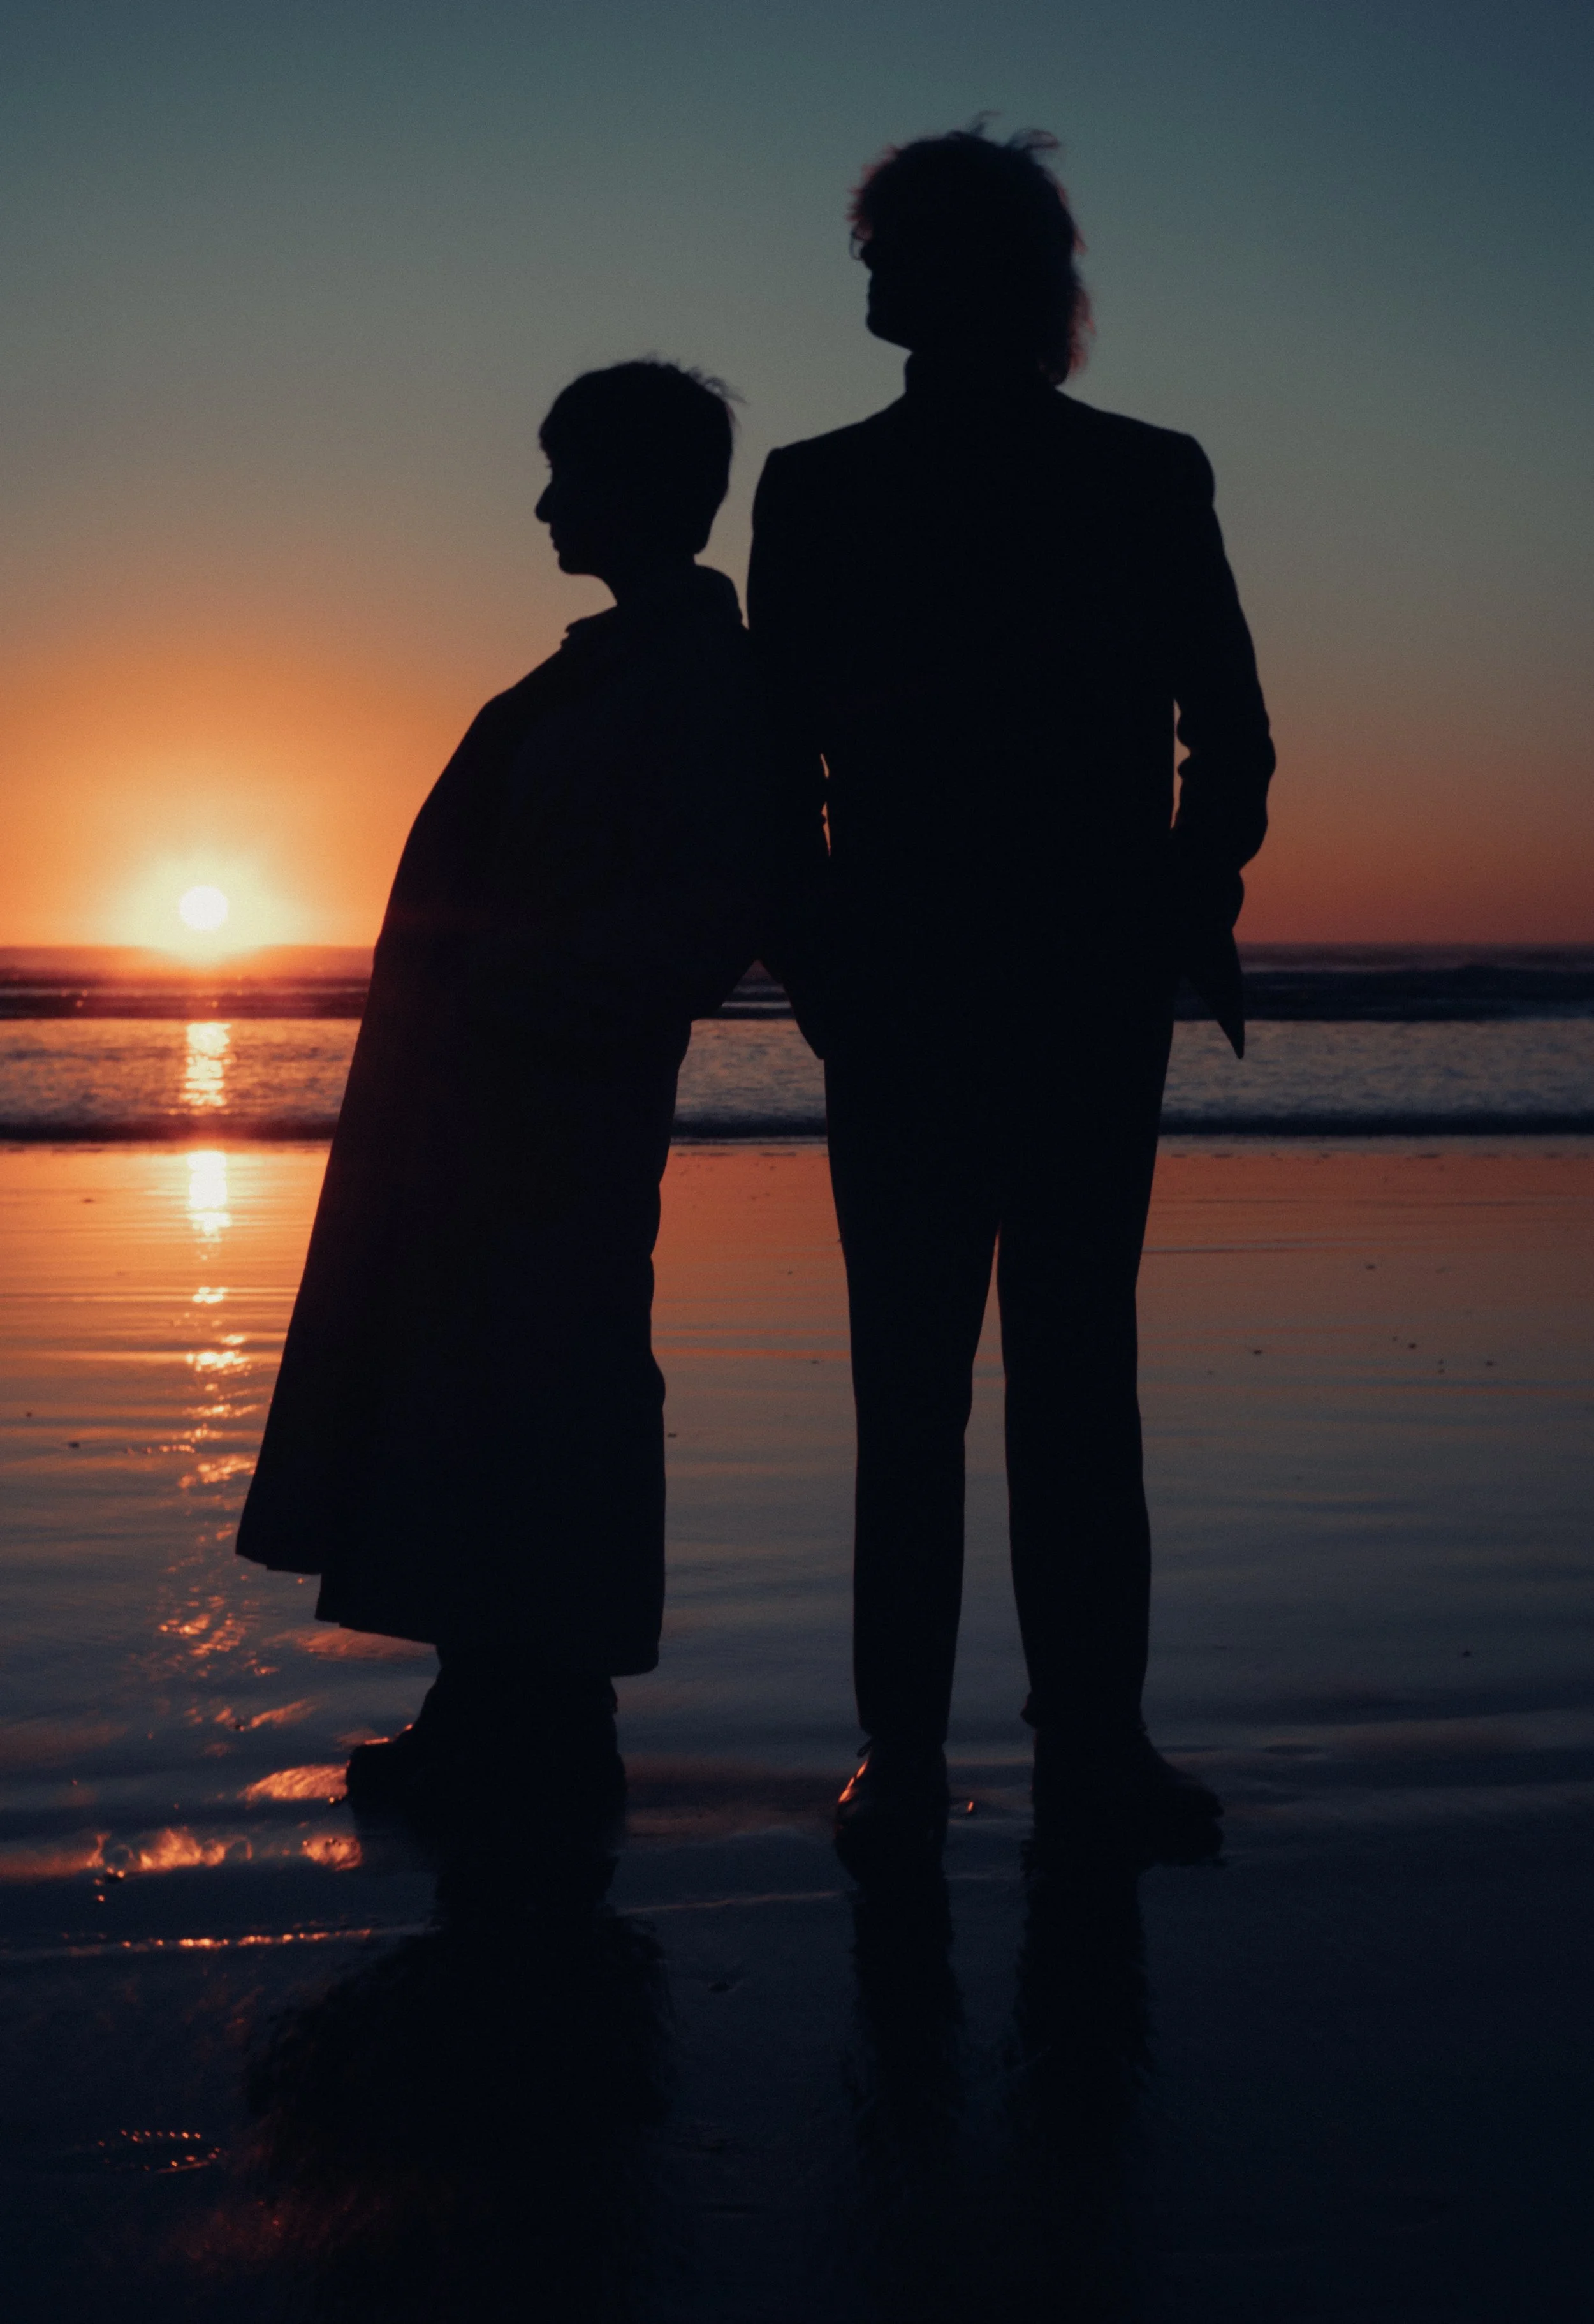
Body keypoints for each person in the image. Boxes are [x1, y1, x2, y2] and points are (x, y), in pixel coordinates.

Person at [748, 128, 1275, 1853]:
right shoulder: (830, 483)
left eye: (892, 246)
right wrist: (820, 953)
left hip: (1019, 986)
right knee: (986, 1379)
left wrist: (1177, 900)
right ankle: (952, 1750)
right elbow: (774, 766)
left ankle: (1034, 1746)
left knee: (1007, 1378)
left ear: (974, 271)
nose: (867, 273)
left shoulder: (1118, 473)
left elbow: (1227, 732)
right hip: (960, 985)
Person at [237, 360, 786, 1827]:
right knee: (473, 1379)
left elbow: (715, 900)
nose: (544, 505)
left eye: (567, 474)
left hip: (552, 1096)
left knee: (554, 1379)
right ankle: (487, 1699)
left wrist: (537, 994)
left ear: (639, 487)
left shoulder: (693, 676)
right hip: (483, 1095)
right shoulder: (611, 670)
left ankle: (552, 1714)